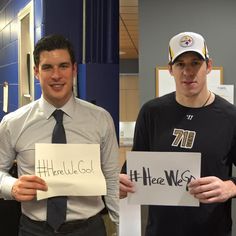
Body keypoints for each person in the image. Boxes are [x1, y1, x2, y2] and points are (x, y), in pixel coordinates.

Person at [0, 34, 119, 236]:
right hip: (33, 229)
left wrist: (121, 226)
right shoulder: (13, 123)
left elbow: (112, 178)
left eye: (63, 66)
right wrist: (11, 186)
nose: (56, 75)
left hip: (89, 229)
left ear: (74, 70)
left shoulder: (100, 119)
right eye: (47, 67)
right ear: (36, 72)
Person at [120, 32, 236, 236]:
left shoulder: (230, 117)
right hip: (161, 230)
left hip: (212, 230)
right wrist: (121, 182)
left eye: (195, 63)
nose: (188, 72)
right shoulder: (152, 112)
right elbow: (135, 166)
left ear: (208, 66)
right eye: (180, 64)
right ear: (170, 70)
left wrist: (231, 187)